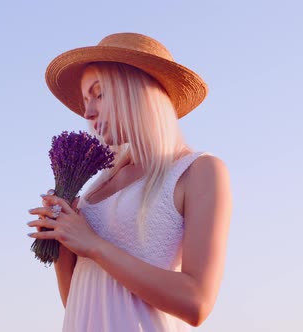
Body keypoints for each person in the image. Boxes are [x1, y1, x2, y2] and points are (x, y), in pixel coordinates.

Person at [27, 32, 232, 331]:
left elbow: (197, 303)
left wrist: (93, 245)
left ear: (138, 92)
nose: (88, 112)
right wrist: (63, 244)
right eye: (86, 100)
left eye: (99, 94)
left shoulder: (199, 171)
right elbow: (78, 303)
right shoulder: (97, 186)